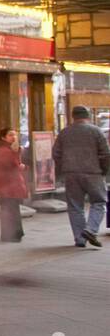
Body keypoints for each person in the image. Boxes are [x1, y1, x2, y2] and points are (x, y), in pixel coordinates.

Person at [53, 105, 110, 248]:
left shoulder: (64, 132)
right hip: (93, 173)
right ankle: (90, 229)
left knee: (75, 206)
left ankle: (79, 239)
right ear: (87, 116)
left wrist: (62, 170)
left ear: (73, 116)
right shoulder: (96, 131)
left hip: (71, 174)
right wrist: (104, 170)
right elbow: (105, 154)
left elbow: (56, 154)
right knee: (99, 202)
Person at [0, 127, 28, 243]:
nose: (14, 137)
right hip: (8, 185)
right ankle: (11, 235)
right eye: (10, 135)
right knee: (10, 209)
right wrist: (18, 156)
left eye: (15, 135)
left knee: (12, 209)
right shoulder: (4, 150)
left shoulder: (8, 149)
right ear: (3, 137)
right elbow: (13, 164)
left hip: (10, 185)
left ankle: (12, 234)